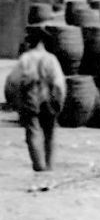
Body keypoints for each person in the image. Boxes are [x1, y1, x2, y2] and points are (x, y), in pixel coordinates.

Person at [6, 27, 67, 173]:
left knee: (33, 131)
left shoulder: (25, 59)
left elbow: (13, 81)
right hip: (49, 98)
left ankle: (39, 166)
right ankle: (49, 166)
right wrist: (60, 101)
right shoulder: (51, 59)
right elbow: (59, 83)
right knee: (50, 133)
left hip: (30, 97)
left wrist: (14, 100)